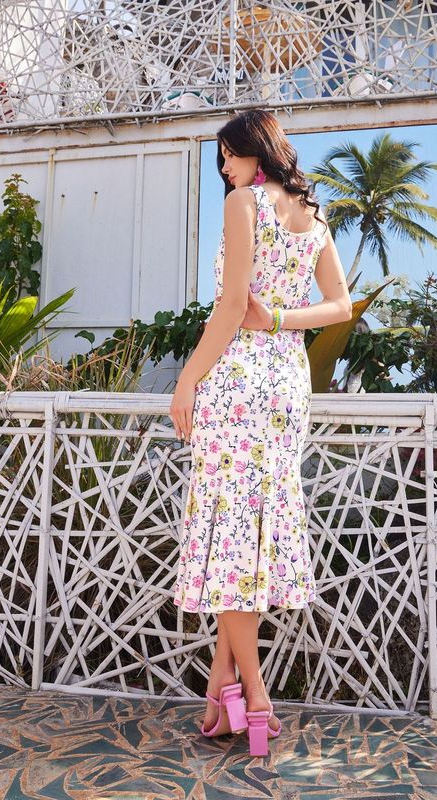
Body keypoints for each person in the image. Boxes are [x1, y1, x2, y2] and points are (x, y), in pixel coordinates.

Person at [170, 109, 352, 756]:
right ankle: (221, 687)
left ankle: (256, 695)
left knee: (229, 532)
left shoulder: (245, 203)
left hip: (239, 379)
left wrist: (187, 380)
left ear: (257, 151)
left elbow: (229, 306)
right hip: (287, 384)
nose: (224, 168)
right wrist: (280, 320)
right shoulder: (313, 216)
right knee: (250, 532)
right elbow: (340, 306)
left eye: (229, 154)